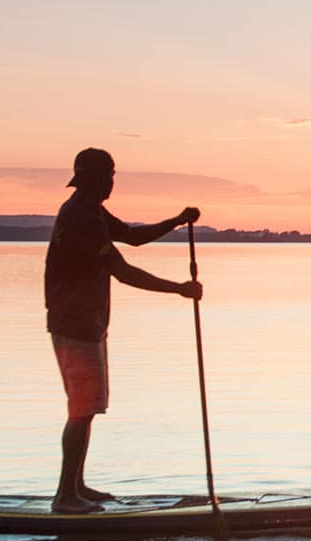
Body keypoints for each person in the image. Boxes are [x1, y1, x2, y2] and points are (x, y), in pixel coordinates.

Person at [44, 147, 202, 513]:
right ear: (95, 178)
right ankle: (65, 496)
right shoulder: (81, 216)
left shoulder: (91, 211)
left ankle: (77, 485)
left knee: (87, 407)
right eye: (110, 174)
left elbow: (131, 236)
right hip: (75, 325)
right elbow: (123, 270)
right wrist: (178, 288)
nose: (113, 181)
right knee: (81, 409)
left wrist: (176, 221)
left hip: (89, 324)